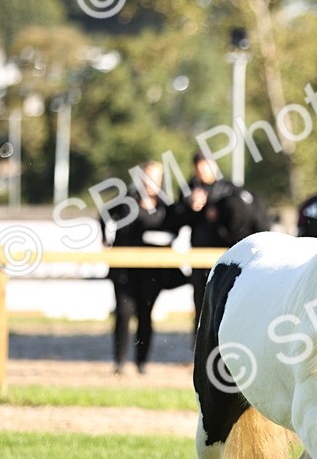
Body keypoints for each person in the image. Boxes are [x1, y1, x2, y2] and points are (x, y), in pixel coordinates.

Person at [173, 152, 270, 333]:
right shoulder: (188, 190)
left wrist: (218, 211)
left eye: (206, 165)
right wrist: (191, 207)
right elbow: (177, 220)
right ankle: (199, 347)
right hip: (199, 256)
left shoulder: (228, 188)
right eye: (199, 167)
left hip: (224, 255)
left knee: (224, 302)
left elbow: (239, 219)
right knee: (201, 303)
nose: (203, 171)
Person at [102, 160, 175, 375]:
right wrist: (105, 241)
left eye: (156, 177)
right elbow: (104, 215)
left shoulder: (165, 205)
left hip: (152, 272)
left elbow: (175, 228)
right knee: (123, 313)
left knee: (145, 315)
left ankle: (142, 363)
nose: (151, 182)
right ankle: (120, 362)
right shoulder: (127, 201)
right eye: (147, 176)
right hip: (124, 270)